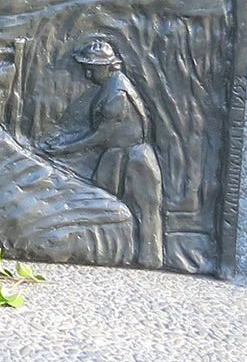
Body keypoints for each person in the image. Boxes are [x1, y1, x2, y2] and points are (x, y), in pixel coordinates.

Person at [41, 37, 164, 268]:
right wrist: (66, 139)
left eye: (91, 69)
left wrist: (64, 148)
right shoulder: (113, 86)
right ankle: (118, 253)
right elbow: (99, 133)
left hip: (131, 160)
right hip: (115, 156)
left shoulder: (116, 95)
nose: (88, 75)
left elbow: (101, 136)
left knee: (140, 213)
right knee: (104, 209)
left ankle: (147, 259)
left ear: (109, 67)